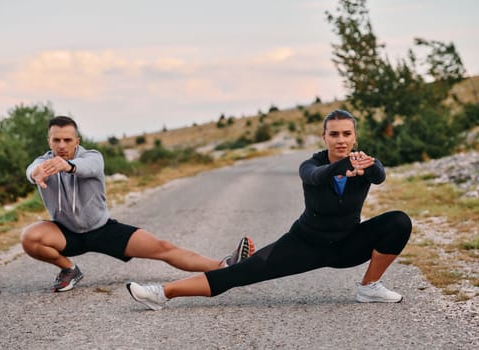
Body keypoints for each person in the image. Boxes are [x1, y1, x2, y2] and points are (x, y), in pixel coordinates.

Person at [127, 109, 412, 310]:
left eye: (346, 134)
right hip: (304, 244)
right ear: (323, 137)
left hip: (347, 245)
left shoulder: (361, 162)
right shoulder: (310, 165)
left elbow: (379, 176)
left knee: (398, 221)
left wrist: (369, 165)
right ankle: (161, 293)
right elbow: (316, 177)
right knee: (238, 275)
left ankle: (369, 287)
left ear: (354, 137)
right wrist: (344, 165)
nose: (341, 139)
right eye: (334, 134)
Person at [21, 116, 254, 292]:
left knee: (163, 248)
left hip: (103, 230)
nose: (62, 145)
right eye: (56, 140)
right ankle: (69, 269)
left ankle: (223, 265)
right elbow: (32, 169)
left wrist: (68, 166)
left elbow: (89, 167)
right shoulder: (43, 162)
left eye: (67, 140)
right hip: (66, 232)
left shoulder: (92, 156)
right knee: (29, 237)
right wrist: (36, 173)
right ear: (49, 140)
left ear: (76, 141)